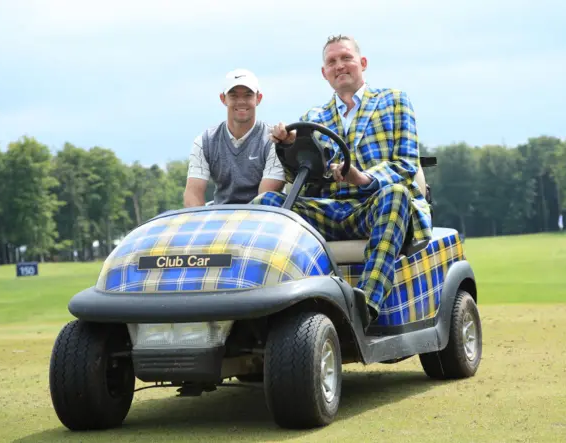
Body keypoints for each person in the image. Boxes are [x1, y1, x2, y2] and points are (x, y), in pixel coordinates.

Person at [252, 35, 433, 323]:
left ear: (362, 63)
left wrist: (361, 178)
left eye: (346, 58)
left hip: (375, 206)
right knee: (267, 203)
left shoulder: (394, 101)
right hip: (330, 210)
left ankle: (364, 307)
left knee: (397, 194)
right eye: (332, 62)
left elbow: (406, 164)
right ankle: (263, 306)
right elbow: (303, 177)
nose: (340, 66)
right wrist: (287, 145)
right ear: (324, 73)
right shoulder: (314, 116)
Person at [183, 68, 285, 207]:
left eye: (248, 95)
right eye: (233, 96)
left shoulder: (274, 140)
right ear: (223, 99)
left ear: (258, 98)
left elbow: (265, 199)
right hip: (219, 219)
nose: (241, 101)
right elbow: (193, 194)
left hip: (262, 221)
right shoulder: (204, 142)